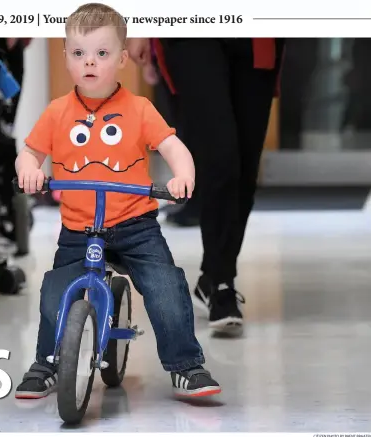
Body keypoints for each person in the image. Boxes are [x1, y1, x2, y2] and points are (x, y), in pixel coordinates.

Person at [14, 3, 221, 400]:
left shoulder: (139, 109)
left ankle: (186, 365)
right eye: (78, 54)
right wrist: (30, 170)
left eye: (102, 54)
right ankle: (48, 361)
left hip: (135, 226)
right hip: (78, 228)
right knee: (55, 291)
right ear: (66, 57)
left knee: (165, 286)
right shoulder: (57, 112)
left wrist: (183, 175)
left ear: (123, 59)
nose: (89, 63)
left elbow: (173, 146)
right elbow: (30, 152)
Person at [127, 37, 285, 335]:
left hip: (258, 30)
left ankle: (212, 276)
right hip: (192, 29)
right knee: (220, 159)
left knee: (246, 165)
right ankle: (223, 286)